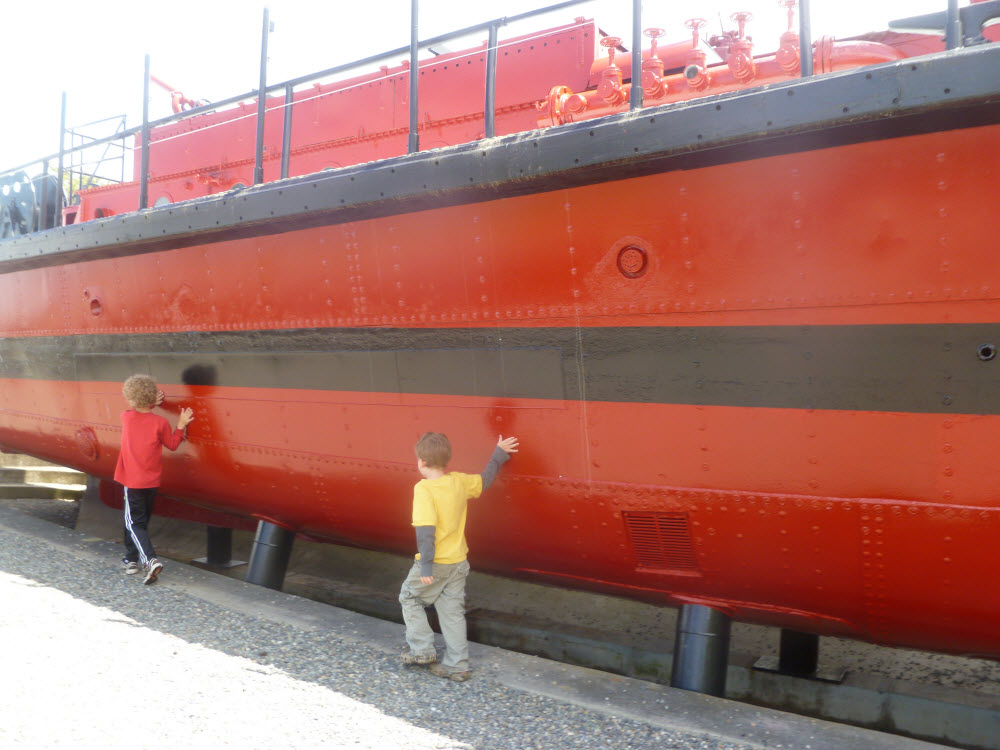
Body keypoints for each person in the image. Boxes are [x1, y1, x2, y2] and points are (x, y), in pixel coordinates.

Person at [399, 432, 519, 681]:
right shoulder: (458, 482)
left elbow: (426, 531)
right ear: (447, 461)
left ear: (421, 462)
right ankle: (457, 666)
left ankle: (421, 650)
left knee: (409, 597)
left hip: (436, 563)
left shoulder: (423, 489)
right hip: (458, 563)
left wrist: (425, 567)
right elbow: (485, 480)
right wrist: (498, 454)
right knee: (452, 612)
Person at [113, 374, 194, 585]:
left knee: (133, 523)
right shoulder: (161, 422)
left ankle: (149, 560)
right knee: (139, 522)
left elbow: (136, 412)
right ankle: (131, 559)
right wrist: (182, 424)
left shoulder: (126, 417)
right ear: (152, 400)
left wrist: (149, 403)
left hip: (133, 483)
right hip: (152, 483)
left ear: (130, 400)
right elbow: (174, 444)